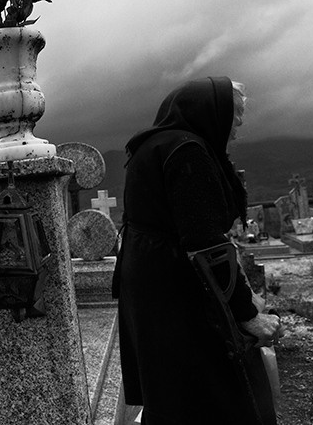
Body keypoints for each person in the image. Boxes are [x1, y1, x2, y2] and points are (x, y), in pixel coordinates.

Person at [112, 76, 282, 425]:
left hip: (151, 280)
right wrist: (248, 314)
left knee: (172, 387)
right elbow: (206, 244)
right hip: (178, 287)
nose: (239, 124)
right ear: (211, 112)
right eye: (234, 114)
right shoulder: (187, 149)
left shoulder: (154, 145)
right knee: (216, 390)